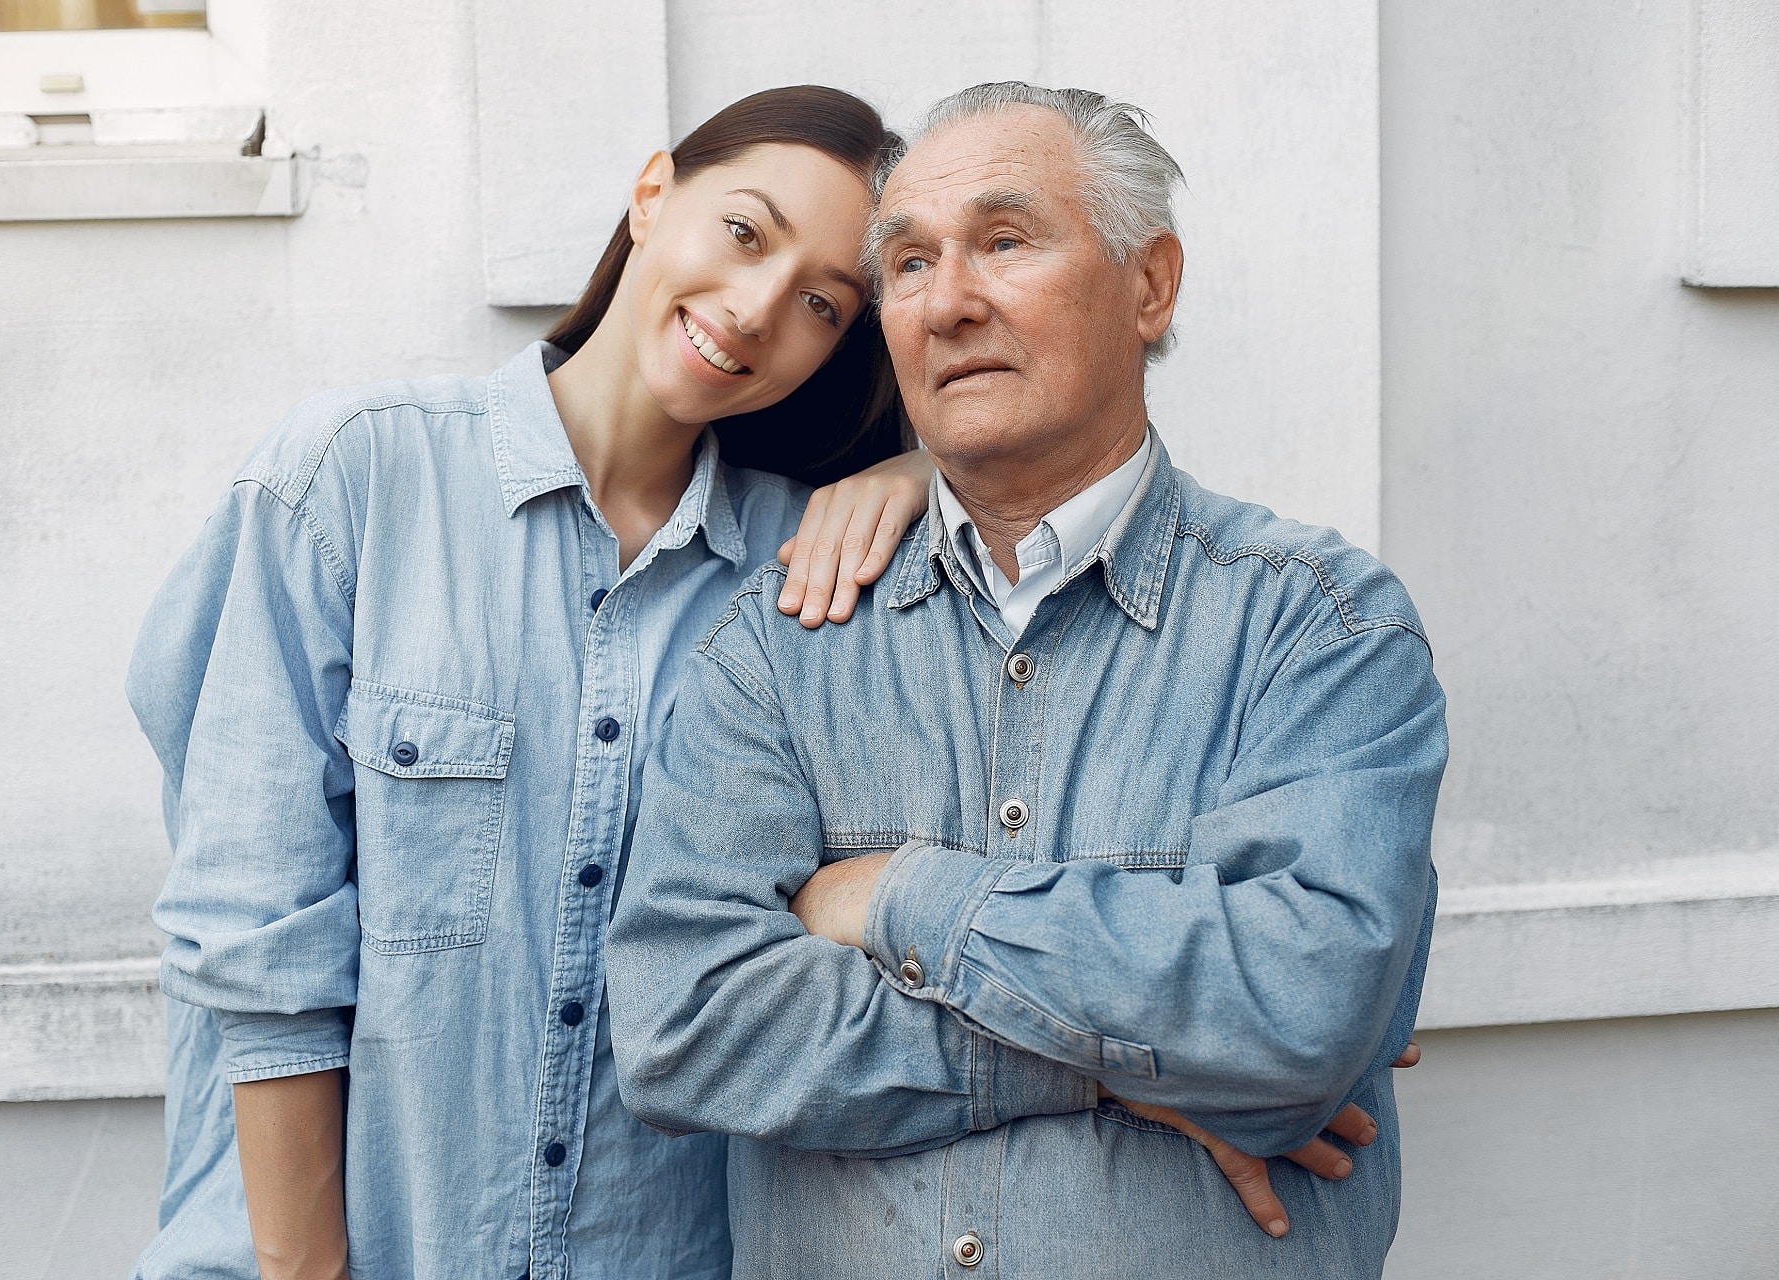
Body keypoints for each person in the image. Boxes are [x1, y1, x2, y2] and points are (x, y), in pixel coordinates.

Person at [605, 82, 1446, 1278]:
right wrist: (1126, 1064)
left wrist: (897, 894)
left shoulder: (1317, 627)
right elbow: (684, 1023)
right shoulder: (779, 637)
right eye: (906, 263)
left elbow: (1299, 1013)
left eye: (1005, 241)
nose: (950, 301)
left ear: (1149, 284)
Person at [125, 86, 939, 1280]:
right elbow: (254, 936)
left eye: (823, 301)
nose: (759, 307)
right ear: (654, 192)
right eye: (745, 232)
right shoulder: (354, 480)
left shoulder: (800, 575)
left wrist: (929, 475)